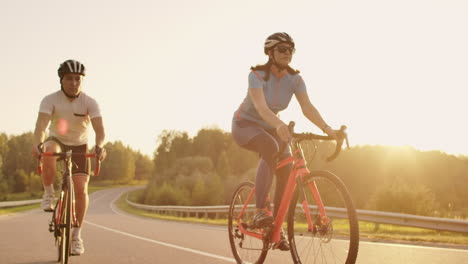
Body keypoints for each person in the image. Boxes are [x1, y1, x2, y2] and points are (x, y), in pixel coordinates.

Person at [231, 32, 337, 251]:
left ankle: (275, 230)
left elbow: (307, 107)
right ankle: (260, 210)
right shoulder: (257, 75)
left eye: (290, 50)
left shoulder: (295, 79)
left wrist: (327, 128)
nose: (287, 53)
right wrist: (278, 125)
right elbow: (261, 108)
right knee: (269, 146)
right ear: (270, 52)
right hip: (245, 125)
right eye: (282, 49)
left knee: (288, 167)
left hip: (272, 126)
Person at [31, 59, 107, 256]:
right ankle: (48, 193)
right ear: (61, 80)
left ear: (82, 80)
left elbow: (100, 131)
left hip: (80, 146)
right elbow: (40, 126)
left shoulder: (90, 102)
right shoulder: (50, 100)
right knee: (48, 150)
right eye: (69, 79)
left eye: (77, 79)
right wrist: (37, 144)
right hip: (58, 139)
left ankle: (76, 236)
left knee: (81, 188)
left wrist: (99, 146)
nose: (73, 83)